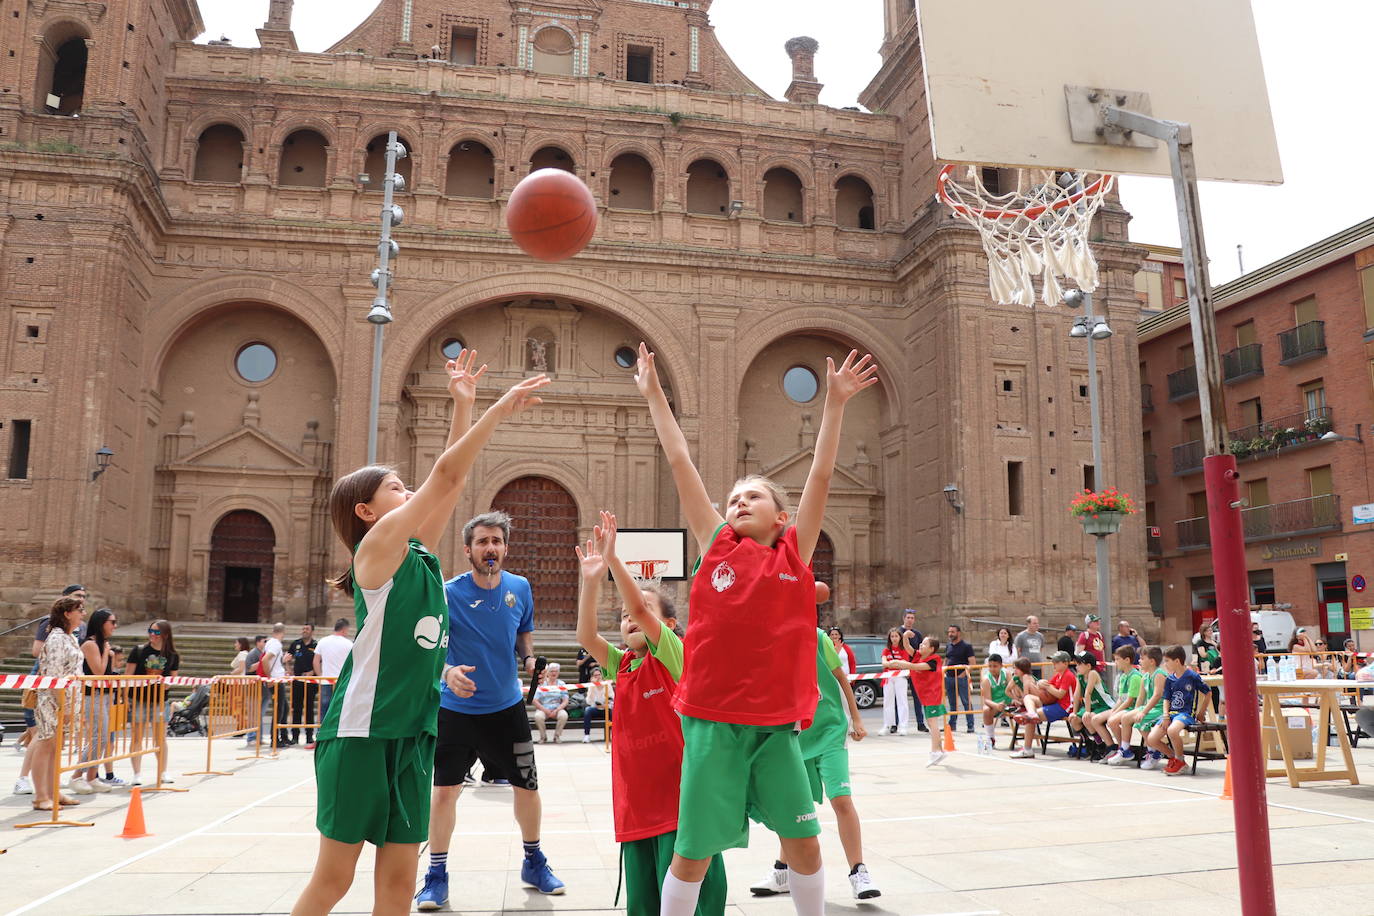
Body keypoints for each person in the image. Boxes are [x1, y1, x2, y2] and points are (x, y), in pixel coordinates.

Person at [291, 355, 541, 916]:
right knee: (334, 878)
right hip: (362, 731)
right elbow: (446, 477)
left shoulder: (419, 555)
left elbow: (448, 488)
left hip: (413, 732)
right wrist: (497, 409)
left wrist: (462, 407)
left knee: (399, 882)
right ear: (366, 511)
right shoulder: (375, 551)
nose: (410, 491)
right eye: (397, 487)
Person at [635, 342, 877, 916]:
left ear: (780, 516)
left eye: (753, 497)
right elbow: (679, 462)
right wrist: (652, 395)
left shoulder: (794, 555)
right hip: (712, 723)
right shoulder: (716, 546)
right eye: (734, 498)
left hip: (775, 727)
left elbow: (819, 475)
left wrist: (836, 404)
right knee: (691, 853)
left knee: (804, 844)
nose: (739, 502)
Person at [574, 512, 726, 916]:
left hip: (681, 806)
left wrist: (614, 559)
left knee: (691, 903)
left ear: (670, 624)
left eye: (638, 612)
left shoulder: (674, 656)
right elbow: (586, 637)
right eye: (622, 616)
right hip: (636, 806)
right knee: (644, 905)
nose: (630, 618)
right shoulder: (622, 665)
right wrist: (591, 583)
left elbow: (643, 612)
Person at [419, 507, 568, 910]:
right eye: (482, 541)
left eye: (497, 541)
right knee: (445, 792)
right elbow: (427, 648)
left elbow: (523, 631)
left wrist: (530, 657)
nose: (490, 548)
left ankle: (534, 862)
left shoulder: (520, 587)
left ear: (505, 548)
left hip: (506, 710)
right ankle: (436, 875)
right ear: (468, 550)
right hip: (456, 710)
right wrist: (447, 672)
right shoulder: (447, 592)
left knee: (528, 789)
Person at [752, 624, 880, 901]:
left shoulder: (818, 637)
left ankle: (858, 872)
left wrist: (856, 719)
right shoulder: (770, 641)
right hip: (796, 737)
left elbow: (841, 679)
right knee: (795, 808)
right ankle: (783, 871)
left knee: (841, 800)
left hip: (830, 732)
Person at [31, 597, 86, 810]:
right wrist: (64, 705)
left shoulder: (69, 637)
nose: (83, 614)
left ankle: (53, 791)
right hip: (52, 700)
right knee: (45, 745)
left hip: (65, 700)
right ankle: (40, 796)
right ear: (67, 613)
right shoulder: (56, 638)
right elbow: (54, 675)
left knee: (56, 747)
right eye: (79, 610)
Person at [125, 618, 180, 786]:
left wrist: (168, 684)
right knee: (137, 737)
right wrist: (125, 698)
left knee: (160, 738)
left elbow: (173, 677)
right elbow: (128, 675)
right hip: (139, 699)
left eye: (156, 632)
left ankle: (163, 771)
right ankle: (137, 773)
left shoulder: (172, 655)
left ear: (165, 634)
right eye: (150, 631)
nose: (152, 635)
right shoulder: (139, 650)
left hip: (159, 700)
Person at [70, 607, 118, 795]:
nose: (115, 626)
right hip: (92, 695)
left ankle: (92, 776)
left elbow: (109, 673)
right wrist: (107, 652)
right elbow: (98, 671)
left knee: (103, 737)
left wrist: (108, 654)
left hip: (105, 695)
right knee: (101, 736)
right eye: (112, 622)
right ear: (101, 624)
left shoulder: (101, 644)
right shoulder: (90, 644)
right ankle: (76, 775)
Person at [1146, 645, 1211, 776]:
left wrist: (1201, 712)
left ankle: (1180, 761)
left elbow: (1208, 692)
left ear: (1177, 661)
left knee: (1172, 730)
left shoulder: (1192, 676)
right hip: (1171, 714)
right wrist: (1165, 715)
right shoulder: (1170, 679)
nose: (1165, 664)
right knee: (1151, 739)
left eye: (1167, 661)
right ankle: (1174, 757)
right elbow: (1166, 699)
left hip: (1186, 714)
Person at [884, 635, 947, 766]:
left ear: (931, 649)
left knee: (932, 723)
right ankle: (940, 750)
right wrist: (906, 636)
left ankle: (935, 752)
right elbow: (907, 647)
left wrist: (899, 663)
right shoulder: (918, 655)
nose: (921, 645)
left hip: (932, 695)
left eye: (924, 644)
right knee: (931, 723)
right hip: (925, 695)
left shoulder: (934, 661)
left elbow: (915, 667)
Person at [1011, 651, 1076, 759]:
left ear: (1065, 663)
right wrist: (1040, 683)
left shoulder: (1068, 675)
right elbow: (1048, 687)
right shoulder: (1058, 675)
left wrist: (1046, 687)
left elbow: (1060, 694)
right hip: (1056, 704)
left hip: (1065, 708)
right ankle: (1032, 713)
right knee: (1028, 698)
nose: (1053, 663)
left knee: (1029, 718)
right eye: (1053, 661)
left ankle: (1027, 749)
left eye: (1056, 662)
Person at [1103, 646, 1145, 766]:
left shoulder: (1135, 677)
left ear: (1127, 660)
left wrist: (1115, 713)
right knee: (1109, 719)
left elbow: (1130, 701)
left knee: (1112, 721)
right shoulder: (1123, 676)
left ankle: (1124, 749)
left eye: (1117, 659)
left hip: (1133, 708)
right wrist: (1114, 710)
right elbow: (1121, 699)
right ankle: (1122, 749)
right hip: (1126, 708)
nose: (1115, 662)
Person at [1129, 647, 1169, 770]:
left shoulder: (1159, 675)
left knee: (1141, 720)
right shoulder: (1146, 676)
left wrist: (1143, 712)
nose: (1139, 661)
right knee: (1133, 719)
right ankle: (1151, 749)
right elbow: (1141, 698)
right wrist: (1136, 711)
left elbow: (1157, 696)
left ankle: (1155, 751)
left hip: (1161, 708)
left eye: (1142, 658)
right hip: (1152, 708)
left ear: (1152, 661)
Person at [1069, 652, 1114, 761]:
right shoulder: (1079, 676)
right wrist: (1074, 712)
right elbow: (1076, 694)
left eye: (1079, 664)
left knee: (1089, 718)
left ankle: (1107, 747)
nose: (1076, 666)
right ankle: (1090, 744)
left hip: (1103, 705)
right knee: (1074, 720)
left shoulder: (1093, 674)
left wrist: (1087, 711)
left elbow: (1087, 694)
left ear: (1088, 666)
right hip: (1092, 706)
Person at [313, 618, 353, 723]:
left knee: (324, 707)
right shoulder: (349, 644)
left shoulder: (323, 641)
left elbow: (316, 661)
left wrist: (320, 676)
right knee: (340, 707)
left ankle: (321, 733)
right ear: (344, 630)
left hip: (326, 679)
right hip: (342, 681)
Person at [288, 624, 319, 747]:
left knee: (309, 708)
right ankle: (295, 736)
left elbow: (320, 661)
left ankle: (309, 736)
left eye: (307, 629)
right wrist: (288, 669)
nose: (304, 631)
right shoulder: (295, 644)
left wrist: (312, 672)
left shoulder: (316, 645)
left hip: (311, 681)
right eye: (303, 629)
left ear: (312, 631)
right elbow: (288, 658)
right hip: (298, 680)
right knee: (296, 708)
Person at [261, 622, 291, 748]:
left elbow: (272, 661)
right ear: (283, 632)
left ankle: (282, 736)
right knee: (280, 709)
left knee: (284, 708)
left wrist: (283, 661)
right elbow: (265, 660)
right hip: (275, 680)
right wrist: (269, 678)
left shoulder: (270, 643)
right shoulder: (276, 644)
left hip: (277, 678)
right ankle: (275, 738)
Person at [898, 610, 927, 732]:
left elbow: (920, 651)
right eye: (908, 617)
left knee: (918, 697)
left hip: (915, 668)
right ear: (904, 618)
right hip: (901, 668)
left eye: (912, 618)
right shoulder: (898, 632)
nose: (910, 620)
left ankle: (920, 723)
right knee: (899, 698)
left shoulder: (917, 634)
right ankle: (896, 724)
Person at [945, 625, 976, 733]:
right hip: (949, 678)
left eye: (952, 632)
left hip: (961, 678)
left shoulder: (966, 646)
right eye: (949, 632)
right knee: (952, 703)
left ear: (958, 633)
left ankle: (970, 725)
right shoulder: (948, 646)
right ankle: (952, 724)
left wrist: (962, 675)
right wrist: (944, 671)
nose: (950, 634)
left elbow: (972, 663)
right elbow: (947, 659)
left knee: (966, 702)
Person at [880, 628, 911, 736]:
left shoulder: (904, 649)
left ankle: (903, 726)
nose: (894, 638)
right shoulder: (886, 650)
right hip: (888, 677)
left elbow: (904, 663)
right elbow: (884, 663)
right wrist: (894, 663)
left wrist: (892, 663)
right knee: (888, 702)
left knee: (902, 701)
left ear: (900, 637)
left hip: (900, 677)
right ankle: (887, 725)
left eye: (896, 636)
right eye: (892, 636)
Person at [980, 653, 1011, 748]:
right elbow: (987, 700)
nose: (992, 669)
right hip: (996, 704)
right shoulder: (986, 679)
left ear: (1001, 666)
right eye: (990, 666)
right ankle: (990, 738)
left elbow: (1013, 689)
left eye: (995, 666)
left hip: (1008, 701)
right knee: (986, 710)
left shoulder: (1007, 674)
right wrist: (996, 706)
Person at [533, 663, 570, 743]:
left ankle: (557, 736)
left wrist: (557, 710)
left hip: (557, 708)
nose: (554, 673)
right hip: (544, 708)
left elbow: (565, 700)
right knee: (538, 716)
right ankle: (543, 737)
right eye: (552, 671)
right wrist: (545, 710)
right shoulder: (541, 684)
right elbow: (534, 700)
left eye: (556, 671)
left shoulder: (562, 684)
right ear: (548, 672)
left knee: (564, 715)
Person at [242, 635, 267, 746]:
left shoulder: (264, 653)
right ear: (258, 642)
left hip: (262, 688)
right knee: (253, 714)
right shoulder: (253, 654)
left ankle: (258, 737)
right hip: (252, 688)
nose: (266, 643)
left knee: (259, 714)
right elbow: (249, 667)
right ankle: (251, 737)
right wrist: (262, 662)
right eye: (264, 641)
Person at [581, 666, 607, 743]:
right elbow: (588, 701)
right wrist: (592, 686)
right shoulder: (591, 686)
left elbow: (612, 697)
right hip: (595, 708)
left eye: (599, 675)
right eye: (595, 675)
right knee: (587, 711)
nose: (598, 677)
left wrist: (605, 704)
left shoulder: (607, 685)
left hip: (606, 707)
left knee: (613, 712)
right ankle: (587, 735)